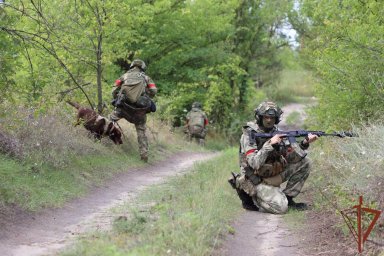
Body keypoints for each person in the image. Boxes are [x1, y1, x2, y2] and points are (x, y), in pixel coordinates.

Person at [229, 101, 318, 214]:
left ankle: (288, 198)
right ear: (259, 117)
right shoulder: (249, 134)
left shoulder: (277, 133)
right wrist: (269, 145)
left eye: (272, 117)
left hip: (273, 174)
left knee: (305, 162)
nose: (269, 120)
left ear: (276, 119)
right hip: (256, 179)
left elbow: (290, 159)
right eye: (266, 117)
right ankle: (250, 194)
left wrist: (304, 143)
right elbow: (254, 163)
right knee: (281, 208)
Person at [110, 59, 157, 162]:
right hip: (139, 111)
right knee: (141, 131)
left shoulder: (124, 76)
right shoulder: (145, 77)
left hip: (123, 108)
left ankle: (99, 141)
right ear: (143, 67)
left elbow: (114, 90)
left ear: (132, 66)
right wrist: (146, 95)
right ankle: (144, 156)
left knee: (110, 121)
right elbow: (154, 90)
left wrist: (117, 98)